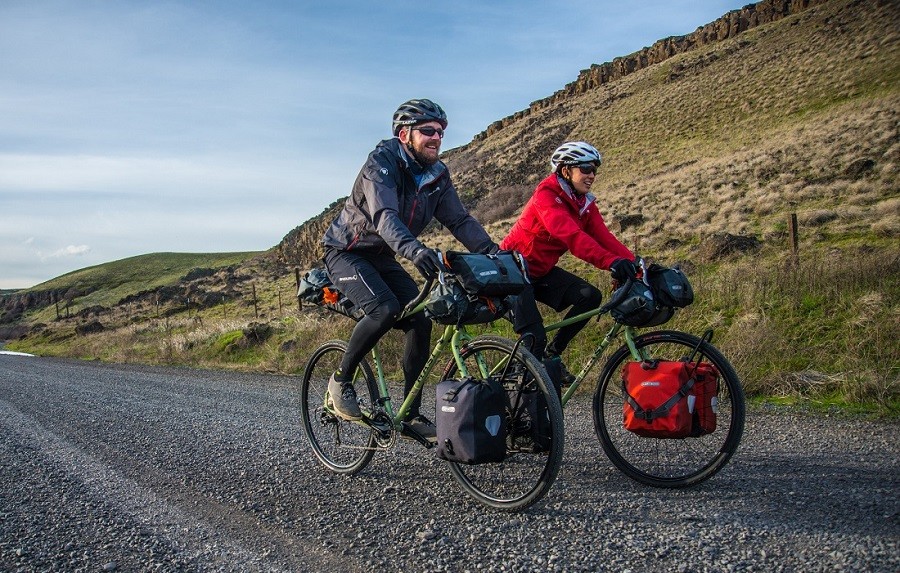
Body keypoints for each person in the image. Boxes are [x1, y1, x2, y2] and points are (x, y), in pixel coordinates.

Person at [321, 98, 498, 440]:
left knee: (419, 318)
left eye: (441, 132)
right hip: (346, 251)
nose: (436, 138)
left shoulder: (436, 174)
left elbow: (459, 220)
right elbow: (384, 216)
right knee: (385, 308)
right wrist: (415, 251)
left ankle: (411, 413)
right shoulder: (381, 162)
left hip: (383, 256)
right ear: (404, 135)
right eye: (428, 131)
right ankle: (341, 380)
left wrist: (493, 252)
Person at [501, 141, 639, 390]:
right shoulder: (546, 195)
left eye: (595, 169)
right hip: (512, 271)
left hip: (539, 271)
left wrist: (633, 263)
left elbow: (603, 237)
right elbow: (571, 236)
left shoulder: (583, 202)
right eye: (586, 169)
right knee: (534, 337)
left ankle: (553, 355)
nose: (592, 175)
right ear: (566, 170)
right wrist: (610, 262)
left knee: (589, 296)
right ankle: (514, 393)